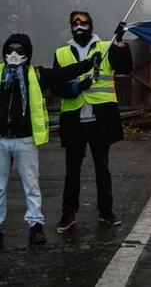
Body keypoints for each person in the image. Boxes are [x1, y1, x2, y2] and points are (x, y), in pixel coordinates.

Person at [0, 33, 98, 245]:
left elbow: (63, 74)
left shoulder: (36, 75)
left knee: (31, 185)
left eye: (19, 51)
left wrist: (88, 64)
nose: (14, 55)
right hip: (1, 140)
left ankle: (35, 226)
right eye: (10, 50)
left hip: (25, 140)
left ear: (28, 53)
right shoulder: (0, 73)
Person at [52, 12, 132, 233]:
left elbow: (125, 67)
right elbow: (56, 86)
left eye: (83, 22)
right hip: (74, 119)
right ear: (70, 27)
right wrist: (77, 87)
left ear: (91, 25)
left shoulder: (106, 47)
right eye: (75, 23)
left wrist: (120, 43)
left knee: (102, 168)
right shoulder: (61, 53)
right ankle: (68, 214)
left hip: (100, 118)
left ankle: (106, 212)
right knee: (72, 171)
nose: (79, 26)